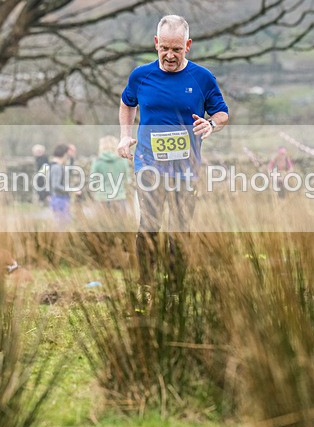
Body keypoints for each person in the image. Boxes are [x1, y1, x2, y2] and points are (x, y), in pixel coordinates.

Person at [117, 14, 229, 285]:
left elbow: (222, 113)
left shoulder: (202, 78)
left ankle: (175, 288)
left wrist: (211, 124)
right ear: (156, 43)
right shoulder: (141, 76)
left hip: (185, 167)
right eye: (164, 48)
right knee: (149, 225)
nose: (169, 55)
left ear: (187, 45)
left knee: (179, 229)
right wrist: (124, 136)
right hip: (148, 163)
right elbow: (127, 103)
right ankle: (146, 285)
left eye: (176, 49)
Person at [90, 135, 133, 217]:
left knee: (102, 227)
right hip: (119, 198)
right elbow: (127, 180)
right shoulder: (122, 161)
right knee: (120, 227)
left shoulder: (97, 162)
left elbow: (93, 183)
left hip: (101, 199)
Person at [42, 143, 77, 228]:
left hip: (56, 198)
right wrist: (72, 189)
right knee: (62, 226)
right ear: (64, 155)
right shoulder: (57, 167)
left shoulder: (50, 165)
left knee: (60, 225)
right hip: (60, 199)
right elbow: (56, 185)